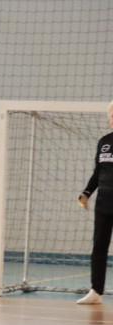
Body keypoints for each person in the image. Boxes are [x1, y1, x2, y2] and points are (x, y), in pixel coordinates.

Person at [75, 100, 113, 305]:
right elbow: (98, 172)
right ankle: (96, 291)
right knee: (99, 246)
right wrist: (87, 193)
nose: (112, 118)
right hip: (104, 204)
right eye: (111, 115)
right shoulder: (104, 142)